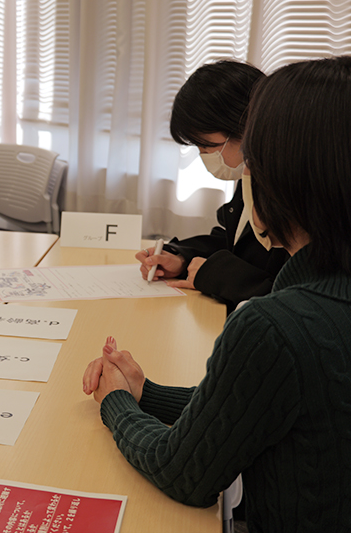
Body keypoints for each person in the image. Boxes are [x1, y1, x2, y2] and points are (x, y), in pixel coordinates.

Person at [83, 56, 351, 531]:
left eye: (257, 164)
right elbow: (255, 400)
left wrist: (116, 401)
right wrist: (147, 393)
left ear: (283, 177)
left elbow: (182, 472)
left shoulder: (274, 325)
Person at [137, 60, 288, 312]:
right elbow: (235, 241)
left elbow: (293, 293)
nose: (204, 155)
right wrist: (181, 258)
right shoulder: (251, 174)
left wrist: (213, 273)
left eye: (208, 146)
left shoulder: (291, 191)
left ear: (246, 126)